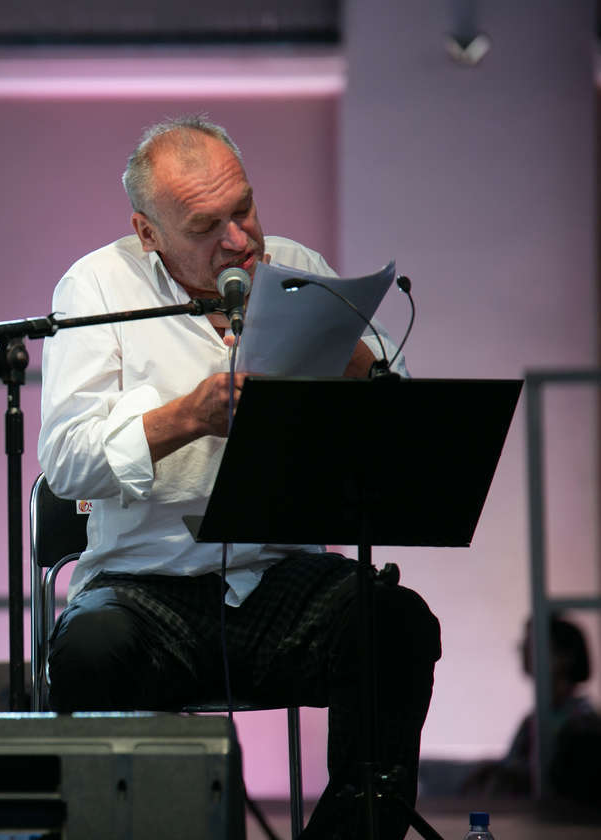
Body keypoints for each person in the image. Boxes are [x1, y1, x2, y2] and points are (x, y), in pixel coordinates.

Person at [37, 115, 442, 840]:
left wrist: (352, 360)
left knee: (396, 625)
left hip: (280, 576)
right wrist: (190, 416)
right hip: (144, 585)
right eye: (205, 226)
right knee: (88, 653)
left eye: (244, 209)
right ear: (148, 232)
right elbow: (66, 461)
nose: (238, 240)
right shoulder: (95, 286)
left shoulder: (297, 264)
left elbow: (399, 407)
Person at [463, 614, 601, 802]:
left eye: (533, 644)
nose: (524, 651)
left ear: (565, 657)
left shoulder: (582, 723)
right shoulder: (533, 720)